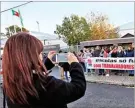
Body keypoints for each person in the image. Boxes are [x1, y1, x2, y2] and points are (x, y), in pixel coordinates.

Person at [2, 33, 86, 108]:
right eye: (39, 53)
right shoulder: (46, 85)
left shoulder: (9, 83)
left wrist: (47, 63)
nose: (41, 56)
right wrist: (75, 64)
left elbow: (28, 72)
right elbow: (78, 88)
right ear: (29, 56)